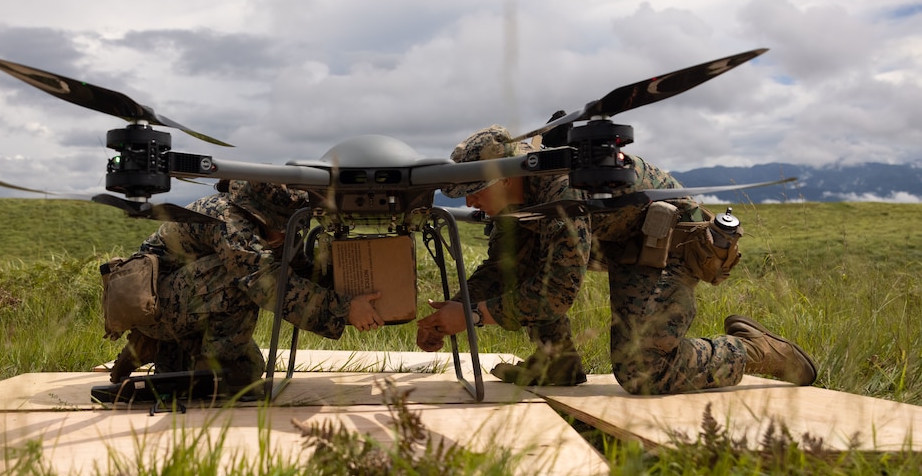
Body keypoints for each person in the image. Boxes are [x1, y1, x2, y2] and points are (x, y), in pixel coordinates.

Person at [416, 124, 818, 395]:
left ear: (504, 179)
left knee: (643, 373)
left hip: (665, 248)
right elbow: (502, 269)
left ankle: (753, 349)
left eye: (474, 191)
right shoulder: (515, 200)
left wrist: (472, 317)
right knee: (525, 266)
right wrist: (460, 307)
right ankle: (557, 364)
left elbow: (555, 296)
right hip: (618, 240)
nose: (469, 202)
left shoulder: (563, 193)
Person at [107, 179, 384, 389]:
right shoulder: (228, 219)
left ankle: (162, 347)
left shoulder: (265, 231)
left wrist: (351, 288)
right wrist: (344, 308)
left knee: (249, 370)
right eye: (283, 227)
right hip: (154, 305)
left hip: (188, 303)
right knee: (246, 278)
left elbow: (299, 272)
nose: (289, 234)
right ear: (261, 215)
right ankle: (184, 358)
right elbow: (267, 284)